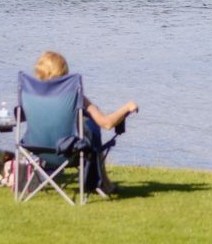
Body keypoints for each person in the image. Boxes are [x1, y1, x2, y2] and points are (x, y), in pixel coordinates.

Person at [33, 51, 137, 195]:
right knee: (92, 129)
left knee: (88, 126)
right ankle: (103, 184)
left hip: (40, 151)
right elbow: (106, 123)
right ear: (64, 73)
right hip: (69, 154)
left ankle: (105, 184)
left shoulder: (33, 97)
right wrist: (127, 107)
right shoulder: (75, 97)